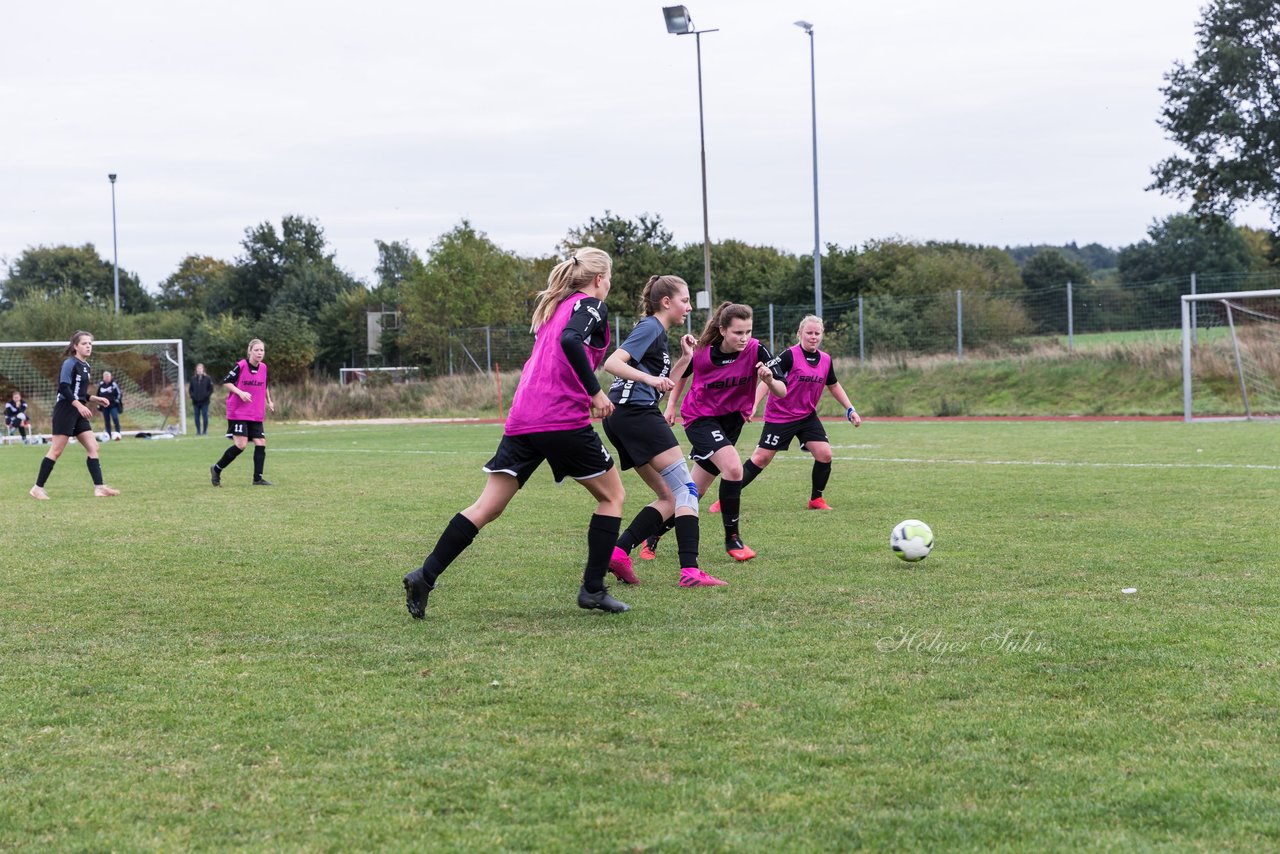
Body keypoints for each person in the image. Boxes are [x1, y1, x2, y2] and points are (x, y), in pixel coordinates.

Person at [402, 247, 630, 619]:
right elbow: (572, 342)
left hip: (523, 418)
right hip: (560, 419)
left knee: (486, 507)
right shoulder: (590, 306)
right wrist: (596, 392)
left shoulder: (555, 308)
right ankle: (592, 589)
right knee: (613, 496)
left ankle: (424, 576)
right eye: (610, 279)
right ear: (600, 279)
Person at [601, 275, 726, 588]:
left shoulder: (657, 332)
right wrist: (650, 381)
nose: (688, 307)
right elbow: (612, 363)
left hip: (623, 418)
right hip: (637, 416)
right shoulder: (651, 327)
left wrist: (683, 359)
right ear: (666, 302)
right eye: (684, 300)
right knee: (687, 489)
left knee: (668, 497)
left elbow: (661, 383)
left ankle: (618, 551)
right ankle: (690, 571)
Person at [650, 302, 787, 562]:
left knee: (694, 492)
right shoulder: (701, 351)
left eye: (748, 331)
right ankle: (733, 539)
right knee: (734, 468)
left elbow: (782, 390)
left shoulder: (757, 349)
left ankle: (653, 534)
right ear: (723, 330)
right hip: (700, 420)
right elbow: (680, 378)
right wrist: (670, 405)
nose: (744, 338)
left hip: (731, 423)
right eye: (738, 332)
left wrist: (769, 379)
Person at [734, 314, 862, 510]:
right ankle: (726, 497)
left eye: (817, 333)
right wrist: (752, 405)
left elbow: (834, 385)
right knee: (761, 459)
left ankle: (816, 500)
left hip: (807, 417)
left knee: (824, 454)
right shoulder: (789, 356)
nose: (813, 337)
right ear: (799, 333)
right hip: (780, 417)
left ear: (822, 335)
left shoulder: (826, 360)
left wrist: (850, 409)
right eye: (809, 333)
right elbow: (767, 381)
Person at [29, 331, 120, 499]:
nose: (88, 346)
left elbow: (79, 393)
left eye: (90, 343)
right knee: (56, 450)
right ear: (75, 346)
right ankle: (37, 488)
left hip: (78, 410)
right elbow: (64, 388)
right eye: (84, 343)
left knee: (94, 447)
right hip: (66, 409)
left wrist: (94, 398)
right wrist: (79, 405)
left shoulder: (86, 366)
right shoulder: (69, 364)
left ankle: (99, 488)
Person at [210, 339, 274, 487]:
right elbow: (226, 381)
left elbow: (265, 385)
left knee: (261, 442)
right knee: (241, 445)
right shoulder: (241, 365)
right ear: (250, 351)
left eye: (262, 350)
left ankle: (258, 479)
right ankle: (216, 469)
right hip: (238, 412)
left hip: (255, 412)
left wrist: (269, 401)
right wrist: (240, 392)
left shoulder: (264, 368)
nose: (259, 353)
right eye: (256, 350)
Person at [189, 363, 214, 435]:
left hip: (205, 402)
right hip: (195, 402)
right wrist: (193, 396)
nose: (199, 370)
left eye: (201, 368)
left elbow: (211, 389)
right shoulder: (193, 378)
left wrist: (206, 396)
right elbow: (190, 390)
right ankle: (198, 431)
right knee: (196, 416)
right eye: (198, 368)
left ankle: (205, 431)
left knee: (204, 415)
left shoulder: (208, 378)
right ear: (196, 370)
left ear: (203, 369)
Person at [97, 370, 123, 439]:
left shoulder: (114, 384)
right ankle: (108, 434)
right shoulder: (101, 385)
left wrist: (117, 400)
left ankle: (118, 433)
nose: (107, 378)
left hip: (113, 405)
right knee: (107, 420)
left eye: (108, 377)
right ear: (103, 377)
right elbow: (98, 395)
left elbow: (119, 393)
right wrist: (99, 403)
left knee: (115, 418)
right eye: (106, 377)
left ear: (110, 377)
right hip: (104, 406)